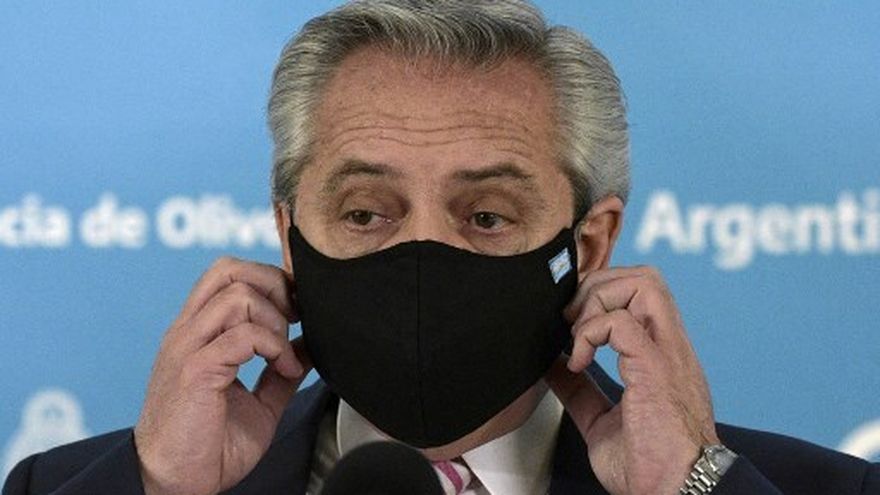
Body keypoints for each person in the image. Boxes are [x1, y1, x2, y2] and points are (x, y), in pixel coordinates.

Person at [4, 1, 878, 494]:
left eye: (486, 216)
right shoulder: (69, 485)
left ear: (590, 244)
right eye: (365, 212)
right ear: (288, 239)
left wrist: (692, 488)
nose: (422, 255)